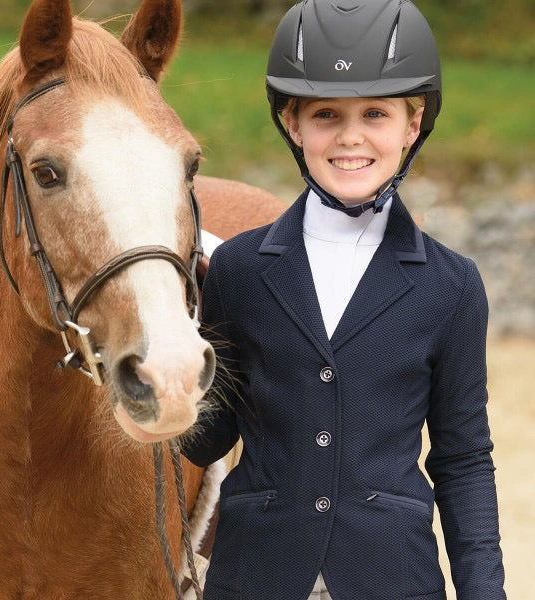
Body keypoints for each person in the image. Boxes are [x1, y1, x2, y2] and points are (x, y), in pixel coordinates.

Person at [182, 1, 506, 598]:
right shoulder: (239, 269)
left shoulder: (451, 284)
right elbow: (206, 438)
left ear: (412, 126)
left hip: (393, 577)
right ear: (294, 123)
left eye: (376, 114)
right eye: (327, 113)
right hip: (258, 575)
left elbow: (463, 464)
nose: (351, 137)